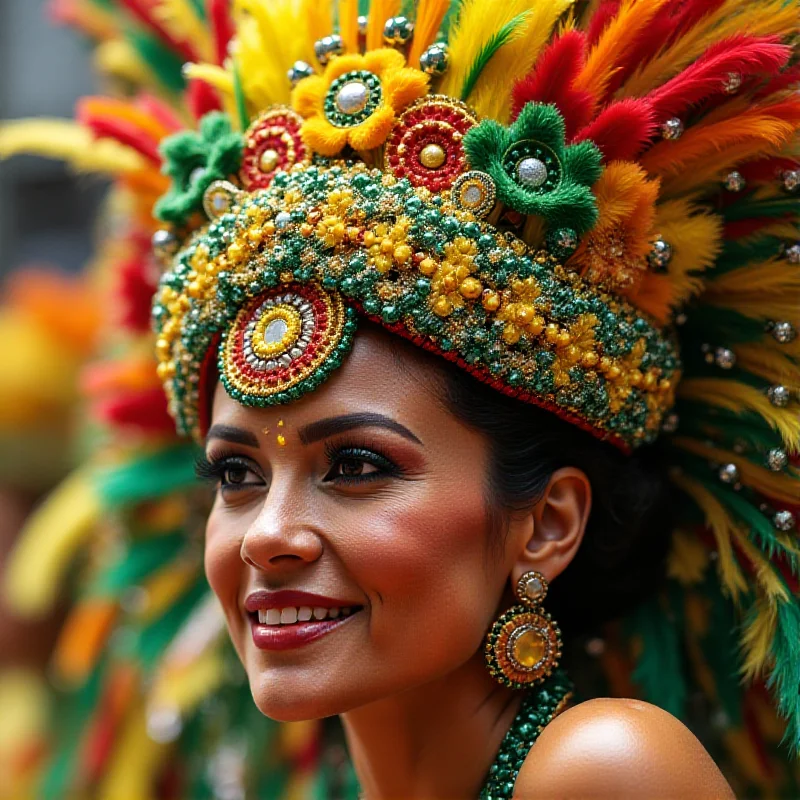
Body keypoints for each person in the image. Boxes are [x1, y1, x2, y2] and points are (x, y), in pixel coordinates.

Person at [4, 0, 798, 797]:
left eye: (355, 465)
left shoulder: (605, 767)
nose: (266, 536)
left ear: (547, 525)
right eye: (237, 476)